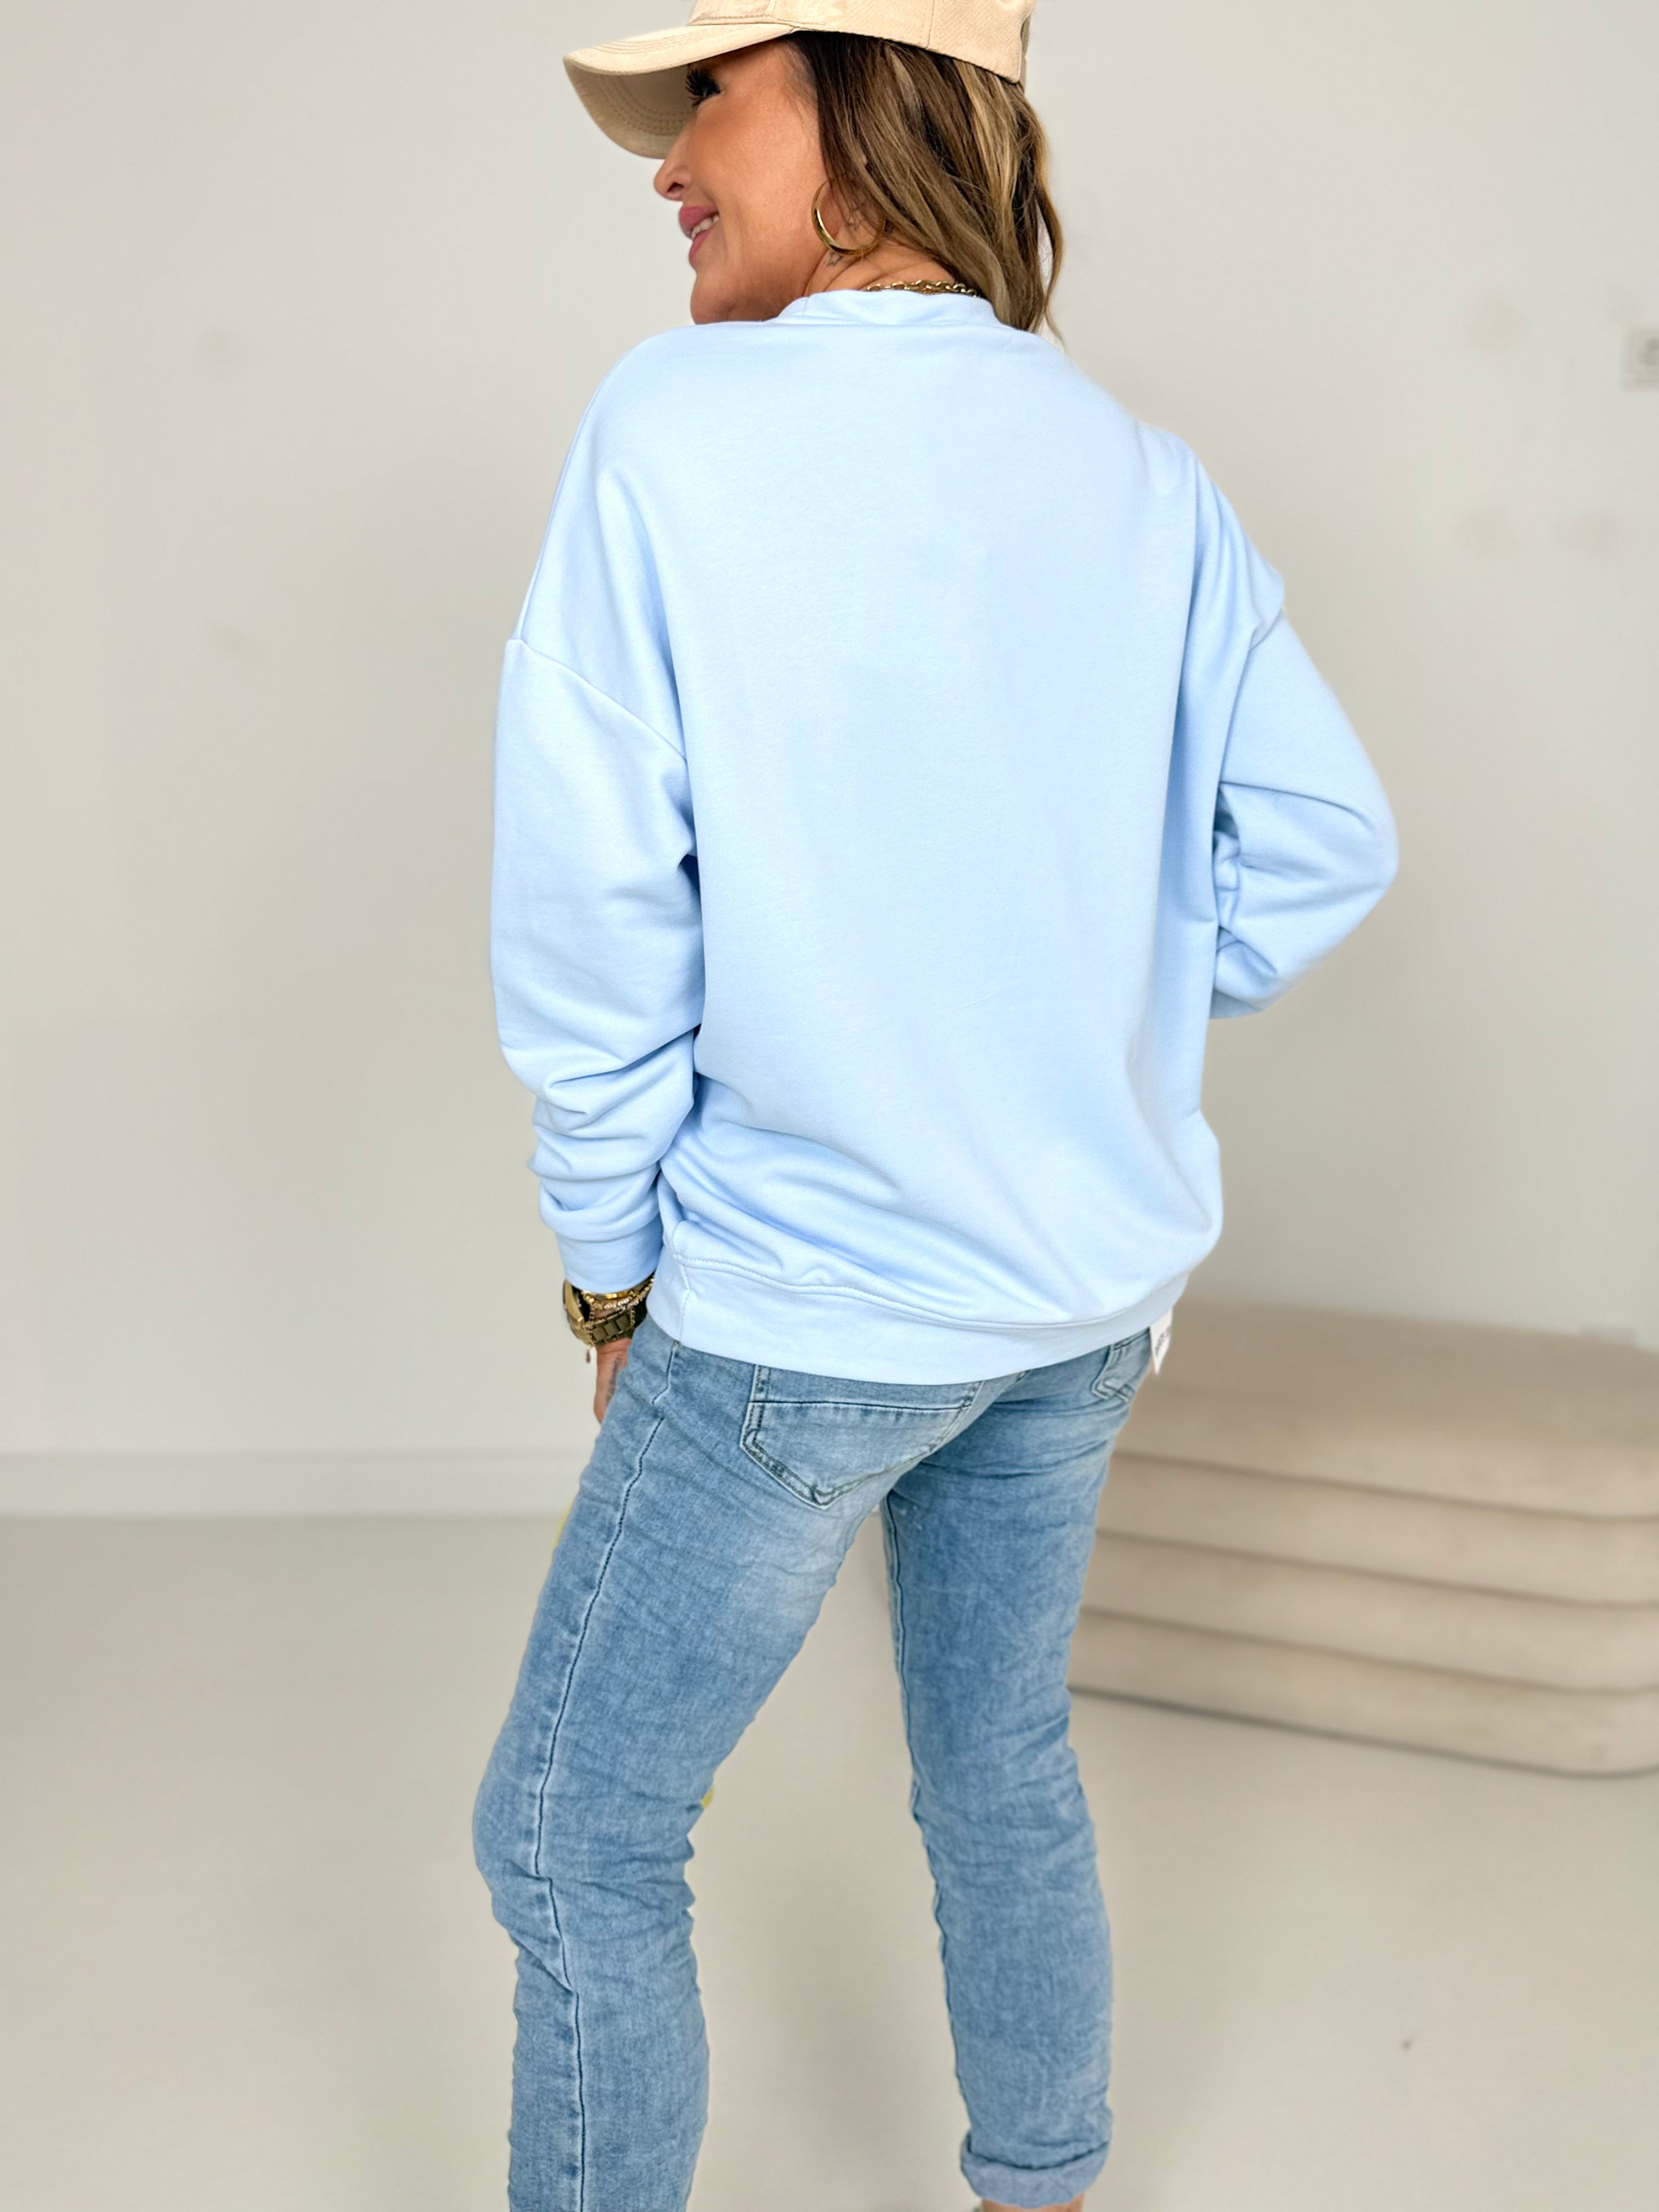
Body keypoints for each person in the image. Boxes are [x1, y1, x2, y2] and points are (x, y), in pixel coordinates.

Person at [472, 5, 1398, 2209]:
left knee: (572, 1829)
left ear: (866, 100)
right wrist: (1077, 1016)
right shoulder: (1139, 472)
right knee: (999, 1770)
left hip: (806, 1314)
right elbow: (1324, 842)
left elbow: (596, 915)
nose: (667, 161)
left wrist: (609, 1278)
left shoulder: (674, 426)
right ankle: (1043, 2189)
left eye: (713, 93)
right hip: (1073, 1310)